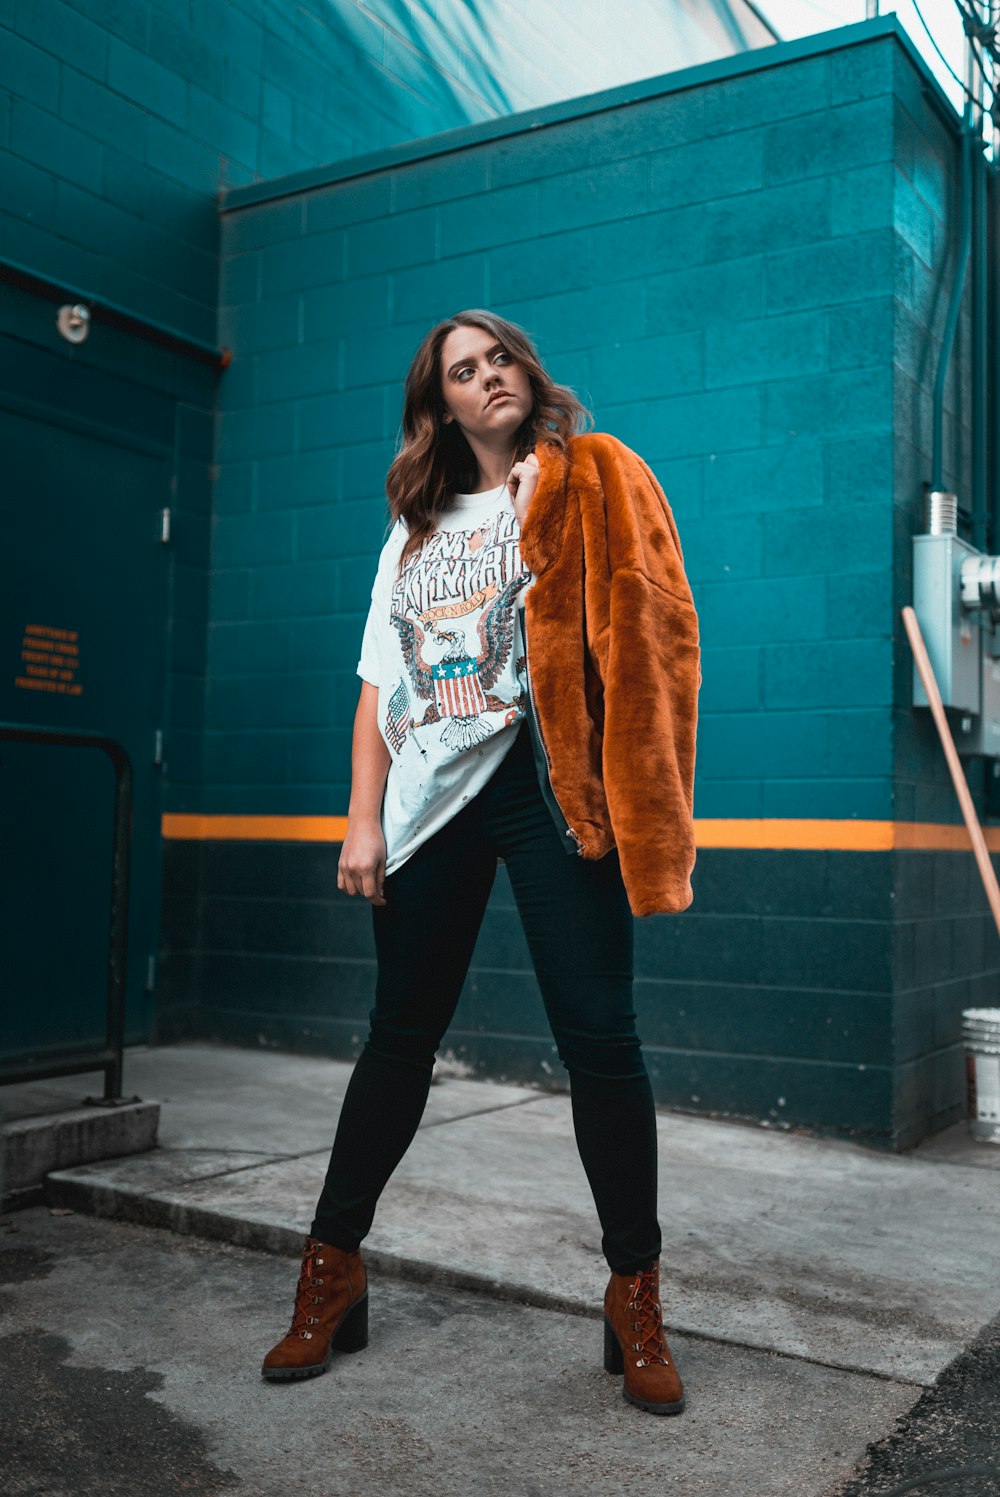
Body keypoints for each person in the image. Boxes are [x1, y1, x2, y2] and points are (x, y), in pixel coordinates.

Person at [261, 309, 701, 1416]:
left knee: (601, 1041)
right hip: (427, 804)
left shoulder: (580, 486)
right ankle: (332, 1270)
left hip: (552, 788)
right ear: (439, 405)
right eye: (462, 370)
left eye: (498, 357)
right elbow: (376, 685)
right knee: (398, 1041)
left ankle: (632, 1291)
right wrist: (362, 820)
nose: (486, 376)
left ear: (524, 373)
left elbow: (651, 627)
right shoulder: (410, 528)